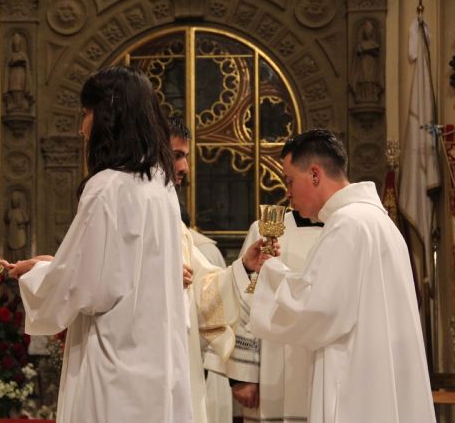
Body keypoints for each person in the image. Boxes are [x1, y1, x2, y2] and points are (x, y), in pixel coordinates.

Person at [8, 65, 192, 423]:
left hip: (113, 364)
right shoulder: (162, 186)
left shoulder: (107, 187)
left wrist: (38, 272)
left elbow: (86, 287)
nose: (82, 127)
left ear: (108, 116)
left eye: (87, 113)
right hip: (158, 361)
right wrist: (60, 265)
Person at [242, 129, 435, 422]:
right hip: (379, 383)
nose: (287, 192)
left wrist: (269, 271)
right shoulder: (378, 221)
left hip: (356, 389)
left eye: (290, 181)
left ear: (315, 174)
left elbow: (315, 310)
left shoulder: (348, 224)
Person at [169, 115, 233, 423]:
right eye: (177, 156)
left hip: (181, 361)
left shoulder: (176, 225)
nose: (184, 168)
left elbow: (206, 285)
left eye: (185, 157)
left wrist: (245, 267)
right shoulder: (127, 202)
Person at [230, 210, 322, 422]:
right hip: (271, 371)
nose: (287, 193)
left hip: (324, 367)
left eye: (290, 182)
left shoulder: (344, 228)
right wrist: (244, 375)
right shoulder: (266, 229)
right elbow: (245, 300)